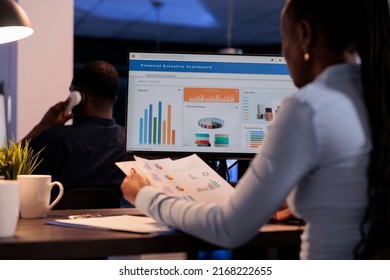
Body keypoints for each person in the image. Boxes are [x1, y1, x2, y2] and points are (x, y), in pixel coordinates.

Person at [120, 0, 390, 259]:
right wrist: (302, 201)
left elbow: (228, 228)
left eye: (284, 38)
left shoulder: (308, 107)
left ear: (305, 34)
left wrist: (145, 195)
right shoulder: (376, 99)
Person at [22, 60, 130, 201]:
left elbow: (7, 169)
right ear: (114, 98)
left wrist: (41, 127)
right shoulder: (130, 145)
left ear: (80, 98)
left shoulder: (54, 140)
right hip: (112, 222)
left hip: (54, 222)